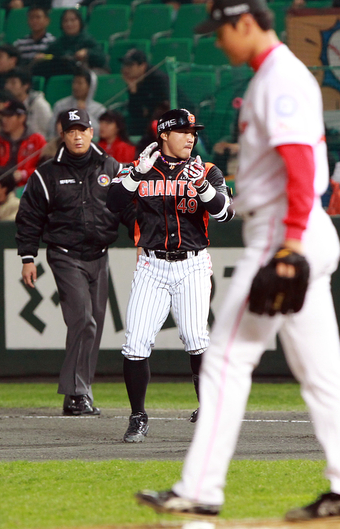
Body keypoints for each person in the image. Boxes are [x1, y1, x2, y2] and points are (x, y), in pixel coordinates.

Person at [136, 0, 340, 521]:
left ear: (243, 21)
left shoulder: (280, 77)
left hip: (283, 233)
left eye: (219, 28)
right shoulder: (273, 74)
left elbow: (301, 168)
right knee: (321, 371)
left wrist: (288, 246)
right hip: (295, 231)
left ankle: (199, 489)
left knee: (223, 358)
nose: (216, 41)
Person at [106, 108, 234, 442]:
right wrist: (136, 175)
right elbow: (112, 199)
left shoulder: (206, 168)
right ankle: (138, 417)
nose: (191, 137)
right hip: (152, 264)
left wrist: (202, 186)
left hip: (192, 263)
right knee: (135, 342)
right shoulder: (142, 167)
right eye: (183, 131)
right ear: (164, 134)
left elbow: (225, 213)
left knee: (195, 337)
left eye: (194, 132)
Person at [15, 108, 135, 416]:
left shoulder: (112, 166)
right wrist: (28, 257)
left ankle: (80, 393)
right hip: (65, 255)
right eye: (71, 131)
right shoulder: (47, 173)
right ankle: (76, 393)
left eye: (82, 129)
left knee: (92, 326)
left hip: (100, 255)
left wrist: (143, 240)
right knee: (83, 319)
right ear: (63, 136)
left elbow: (129, 210)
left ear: (92, 132)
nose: (78, 135)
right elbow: (29, 217)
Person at [33, 8, 107, 78]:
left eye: (73, 20)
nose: (69, 24)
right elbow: (50, 56)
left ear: (80, 22)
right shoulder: (57, 44)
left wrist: (87, 53)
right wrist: (42, 56)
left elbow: (101, 58)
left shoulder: (88, 40)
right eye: (65, 21)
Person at [0, 99, 47, 186]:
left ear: (22, 118)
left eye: (9, 116)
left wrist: (24, 174)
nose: (4, 120)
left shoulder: (37, 140)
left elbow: (46, 169)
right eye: (3, 116)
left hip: (29, 187)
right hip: (0, 188)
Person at [120, 49, 170, 136]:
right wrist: (133, 91)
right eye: (125, 65)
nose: (125, 69)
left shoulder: (158, 79)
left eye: (130, 65)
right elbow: (136, 114)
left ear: (142, 65)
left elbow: (163, 107)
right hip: (148, 123)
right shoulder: (135, 81)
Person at [48, 67, 106, 137]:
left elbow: (99, 133)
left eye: (80, 83)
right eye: (74, 82)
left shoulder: (99, 109)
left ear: (89, 87)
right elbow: (51, 130)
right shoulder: (61, 105)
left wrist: (84, 113)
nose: (75, 86)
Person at [5, 67, 53, 136]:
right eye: (7, 82)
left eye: (13, 83)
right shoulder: (7, 104)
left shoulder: (40, 105)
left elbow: (48, 132)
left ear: (25, 86)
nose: (8, 86)